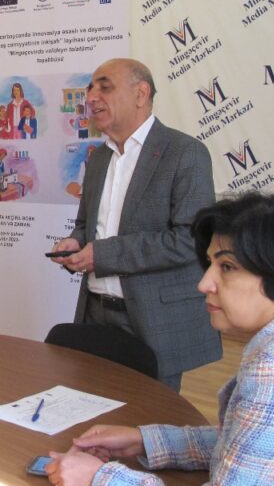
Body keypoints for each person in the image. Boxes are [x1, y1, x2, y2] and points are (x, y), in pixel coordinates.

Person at [46, 193, 274, 485]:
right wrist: (146, 441)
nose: (204, 283)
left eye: (227, 267)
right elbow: (253, 444)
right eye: (211, 263)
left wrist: (99, 477)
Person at [50, 58, 219, 391]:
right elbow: (87, 224)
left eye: (104, 87)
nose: (91, 97)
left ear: (141, 94)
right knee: (92, 408)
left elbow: (189, 240)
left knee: (149, 417)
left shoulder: (185, 153)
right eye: (90, 89)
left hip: (153, 320)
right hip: (95, 311)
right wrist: (76, 242)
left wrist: (100, 255)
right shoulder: (99, 158)